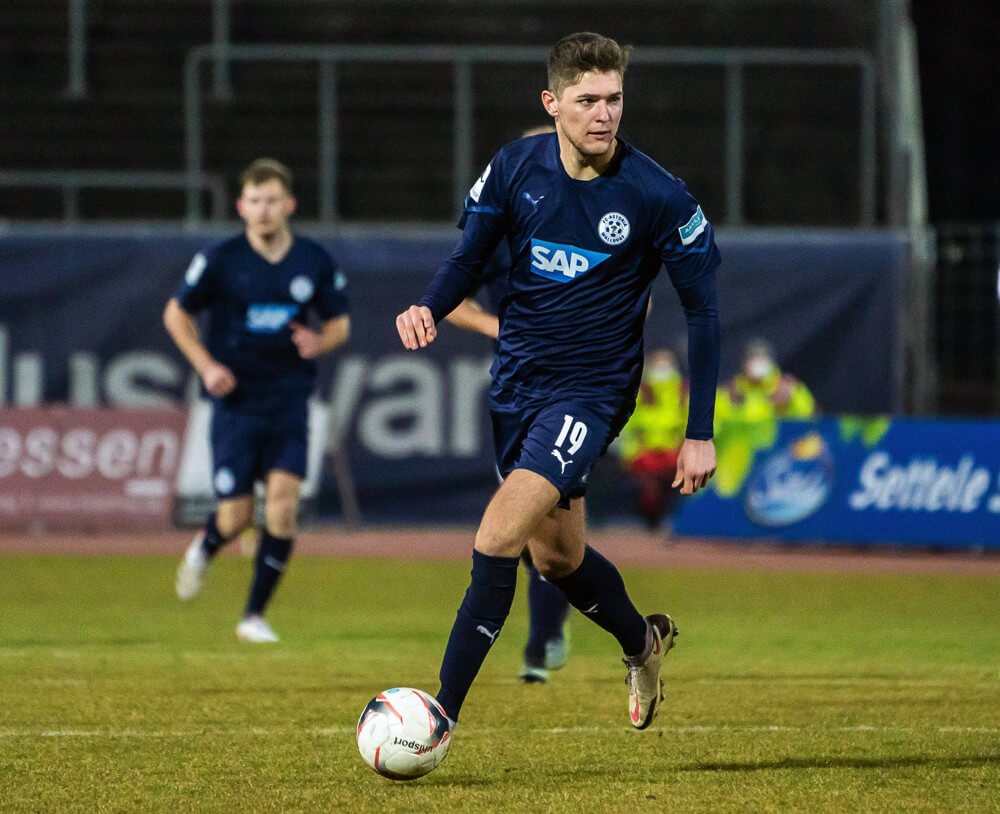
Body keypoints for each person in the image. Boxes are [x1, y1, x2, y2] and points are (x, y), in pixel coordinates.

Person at [395, 32, 720, 734]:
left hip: (590, 395)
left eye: (614, 99)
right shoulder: (515, 168)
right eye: (587, 101)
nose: (603, 114)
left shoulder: (656, 194)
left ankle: (436, 718)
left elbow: (703, 311)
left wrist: (699, 433)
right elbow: (467, 258)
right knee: (558, 557)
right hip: (516, 387)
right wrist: (429, 304)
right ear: (552, 103)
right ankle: (644, 643)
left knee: (496, 534)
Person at [165, 158, 350, 642]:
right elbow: (175, 314)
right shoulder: (220, 260)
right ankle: (205, 549)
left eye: (272, 200)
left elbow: (339, 323)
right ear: (241, 206)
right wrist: (206, 366)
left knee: (284, 509)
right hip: (236, 402)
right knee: (236, 517)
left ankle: (253, 616)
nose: (264, 210)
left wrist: (319, 342)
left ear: (288, 205)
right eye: (255, 201)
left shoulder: (313, 260)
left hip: (289, 398)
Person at [446, 125, 573, 685]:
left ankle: (539, 647)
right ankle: (558, 626)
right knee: (538, 543)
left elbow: (636, 305)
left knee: (528, 522)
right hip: (517, 387)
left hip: (580, 390)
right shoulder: (497, 224)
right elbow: (452, 298)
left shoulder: (602, 223)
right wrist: (506, 327)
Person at [617, 348, 688, 531]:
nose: (662, 368)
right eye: (658, 363)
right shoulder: (640, 393)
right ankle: (652, 522)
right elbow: (629, 426)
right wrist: (632, 454)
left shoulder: (683, 393)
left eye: (666, 362)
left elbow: (691, 425)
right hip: (646, 453)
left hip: (675, 452)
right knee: (650, 488)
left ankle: (682, 521)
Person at [716, 338, 817, 423]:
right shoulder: (730, 389)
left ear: (771, 361)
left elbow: (809, 418)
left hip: (777, 445)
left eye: (763, 357)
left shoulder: (787, 386)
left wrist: (790, 399)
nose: (758, 363)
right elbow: (714, 423)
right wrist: (731, 403)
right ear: (744, 362)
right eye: (753, 357)